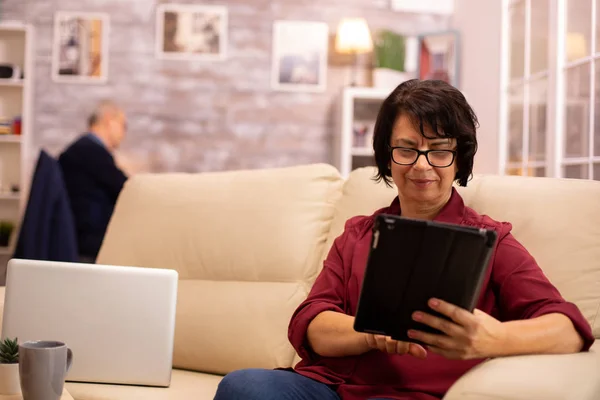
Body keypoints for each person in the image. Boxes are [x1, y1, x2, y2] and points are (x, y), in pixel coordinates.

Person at [213, 79, 595, 400]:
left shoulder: (492, 240)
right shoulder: (358, 233)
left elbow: (570, 330)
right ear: (387, 156)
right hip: (327, 387)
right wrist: (371, 335)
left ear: (459, 158)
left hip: (410, 395)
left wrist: (491, 338)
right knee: (242, 386)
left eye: (439, 151)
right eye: (407, 149)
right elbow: (312, 323)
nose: (422, 165)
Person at [58, 100, 128, 263]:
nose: (123, 134)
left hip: (82, 240)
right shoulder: (90, 151)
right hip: (89, 245)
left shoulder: (82, 149)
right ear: (109, 120)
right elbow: (125, 188)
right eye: (123, 126)